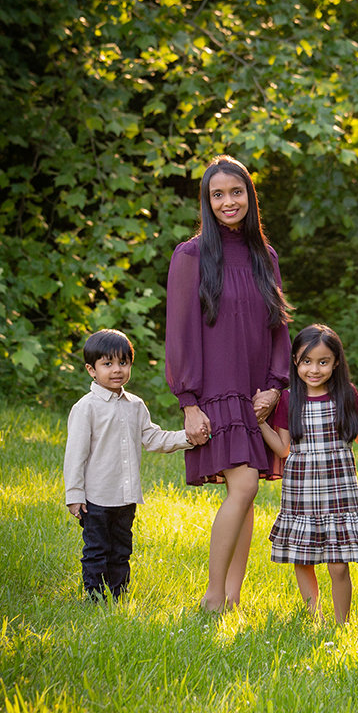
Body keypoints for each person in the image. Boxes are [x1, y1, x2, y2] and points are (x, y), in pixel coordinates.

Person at [165, 155, 292, 612]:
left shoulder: (265, 256)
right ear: (207, 201)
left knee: (247, 493)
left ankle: (233, 596)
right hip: (216, 392)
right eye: (217, 194)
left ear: (249, 196)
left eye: (235, 192)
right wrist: (189, 402)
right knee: (244, 489)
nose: (227, 202)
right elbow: (180, 331)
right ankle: (212, 597)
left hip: (257, 393)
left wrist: (277, 386)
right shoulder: (192, 255)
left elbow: (279, 327)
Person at [260, 324, 358, 624]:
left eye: (323, 362)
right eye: (307, 361)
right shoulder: (288, 399)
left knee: (338, 565)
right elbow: (283, 450)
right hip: (301, 488)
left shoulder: (345, 394)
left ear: (336, 363)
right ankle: (314, 616)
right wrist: (259, 424)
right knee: (303, 558)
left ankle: (342, 623)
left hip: (338, 487)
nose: (314, 369)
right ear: (296, 361)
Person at [63, 328, 194, 600]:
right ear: (91, 369)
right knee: (97, 549)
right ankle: (95, 597)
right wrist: (74, 495)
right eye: (107, 364)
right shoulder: (86, 408)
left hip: (125, 496)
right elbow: (75, 455)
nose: (116, 370)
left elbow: (153, 438)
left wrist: (188, 438)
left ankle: (118, 594)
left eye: (123, 363)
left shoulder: (135, 405)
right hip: (96, 497)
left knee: (122, 549)